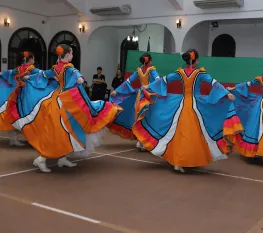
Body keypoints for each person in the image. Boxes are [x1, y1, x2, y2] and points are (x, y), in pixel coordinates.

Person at [9, 44, 122, 173]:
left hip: (57, 100)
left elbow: (43, 74)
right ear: (67, 55)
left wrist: (30, 77)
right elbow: (75, 75)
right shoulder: (69, 68)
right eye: (72, 53)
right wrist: (80, 78)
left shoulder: (56, 68)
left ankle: (62, 157)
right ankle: (41, 158)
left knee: (65, 131)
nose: (72, 56)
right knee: (58, 132)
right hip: (64, 103)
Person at [132, 49, 243, 173]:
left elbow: (165, 80)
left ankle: (181, 160)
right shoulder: (199, 73)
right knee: (193, 134)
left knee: (180, 133)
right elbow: (214, 83)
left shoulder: (180, 72)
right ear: (196, 60)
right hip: (196, 107)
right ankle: (183, 160)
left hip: (181, 105)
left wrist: (148, 86)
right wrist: (227, 94)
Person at [227, 61, 263, 164]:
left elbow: (246, 84)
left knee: (255, 128)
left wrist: (232, 88)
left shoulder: (259, 79)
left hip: (259, 104)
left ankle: (258, 151)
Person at [0, 51, 56, 146]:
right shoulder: (32, 69)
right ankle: (33, 139)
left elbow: (7, 73)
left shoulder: (18, 69)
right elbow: (42, 74)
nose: (34, 60)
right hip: (28, 96)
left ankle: (14, 139)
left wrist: (1, 73)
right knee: (32, 116)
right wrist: (54, 75)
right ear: (30, 60)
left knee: (14, 116)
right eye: (33, 59)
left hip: (15, 96)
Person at [109, 53, 160, 150]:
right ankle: (142, 140)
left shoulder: (141, 71)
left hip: (141, 96)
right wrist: (149, 86)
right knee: (143, 118)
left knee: (141, 117)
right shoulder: (150, 70)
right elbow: (158, 80)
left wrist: (117, 90)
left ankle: (143, 140)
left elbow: (128, 82)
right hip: (147, 97)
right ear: (149, 61)